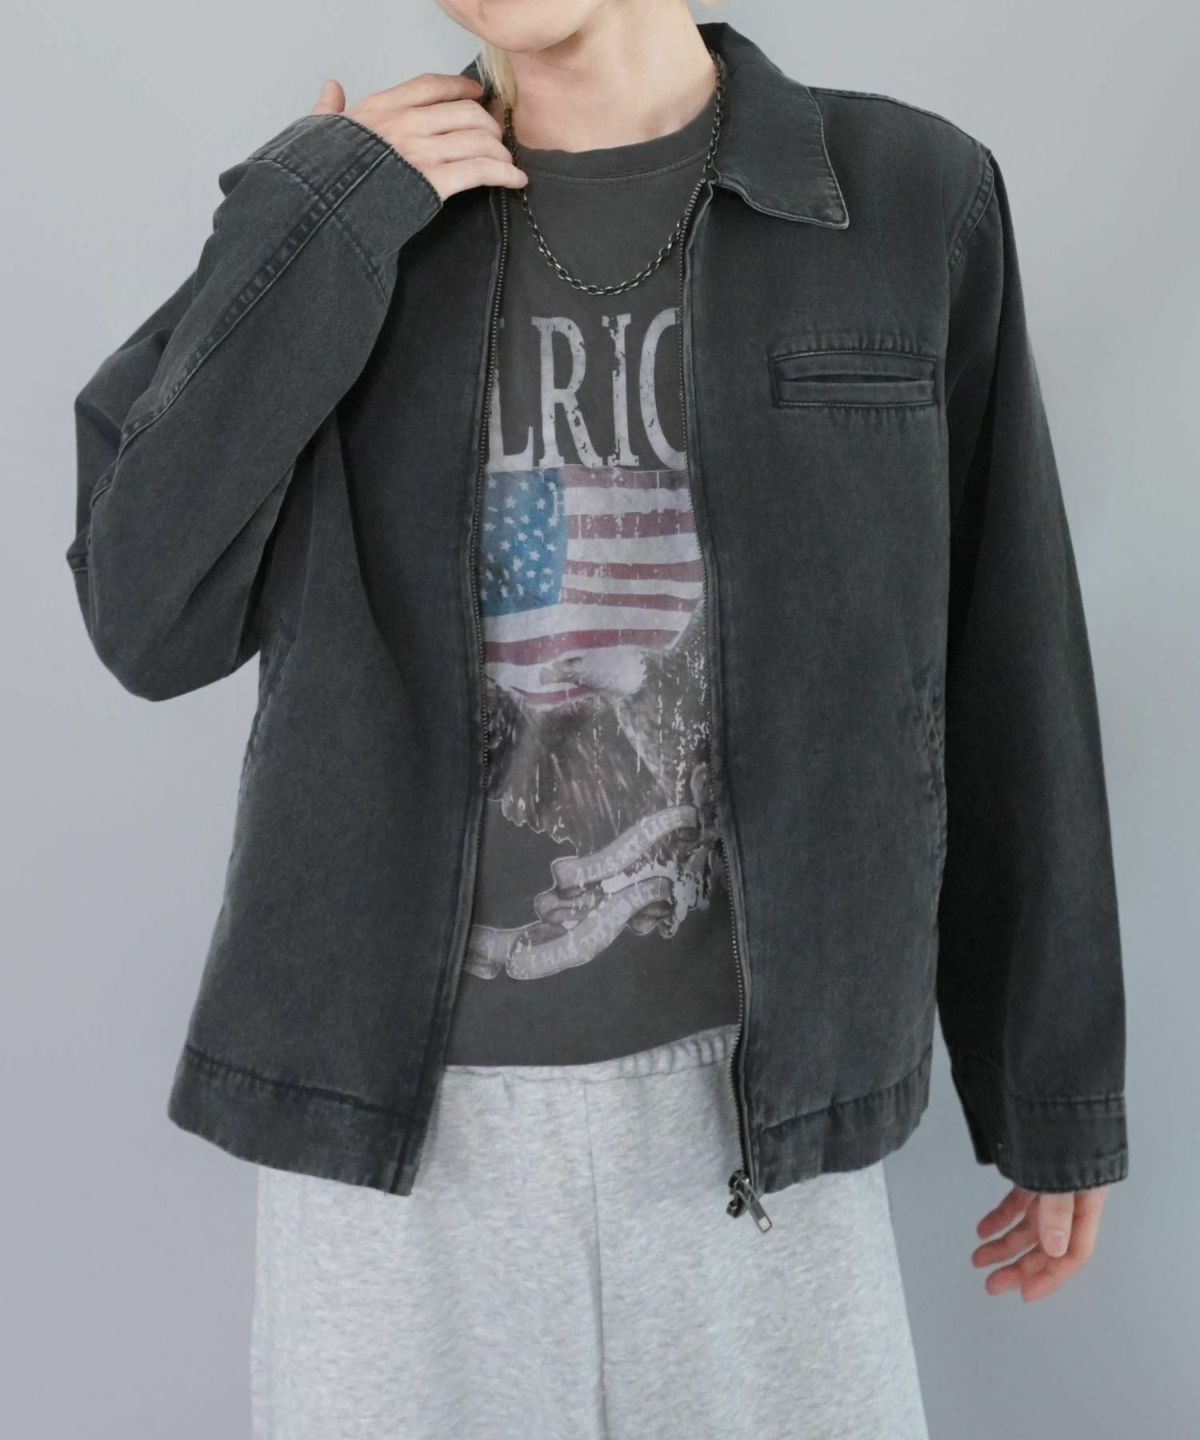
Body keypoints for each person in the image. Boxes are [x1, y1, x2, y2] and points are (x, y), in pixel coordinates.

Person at [66, 2, 1129, 1436]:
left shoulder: (904, 198)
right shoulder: (347, 207)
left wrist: (1049, 1082)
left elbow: (1007, 649)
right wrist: (314, 225)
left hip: (757, 1120)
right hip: (399, 1133)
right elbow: (148, 617)